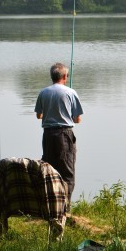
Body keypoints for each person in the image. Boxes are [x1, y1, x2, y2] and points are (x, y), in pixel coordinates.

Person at [34, 62, 84, 203]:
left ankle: (49, 204)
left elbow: (39, 116)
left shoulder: (43, 92)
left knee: (49, 170)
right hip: (65, 134)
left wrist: (50, 114)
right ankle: (64, 208)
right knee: (67, 171)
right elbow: (77, 119)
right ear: (64, 76)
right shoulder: (70, 92)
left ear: (52, 76)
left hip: (48, 135)